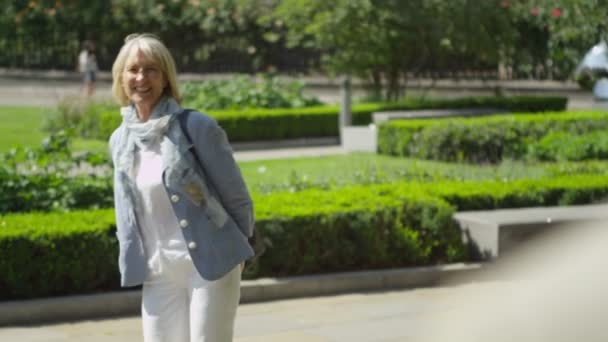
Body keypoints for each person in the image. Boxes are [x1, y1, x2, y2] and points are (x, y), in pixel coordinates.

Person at [108, 33, 255, 342]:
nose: (141, 77)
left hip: (210, 264)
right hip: (158, 269)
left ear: (165, 78)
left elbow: (237, 196)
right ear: (121, 78)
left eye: (151, 69)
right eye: (133, 69)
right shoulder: (120, 140)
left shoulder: (196, 126)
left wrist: (238, 251)